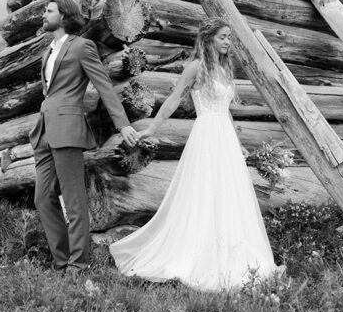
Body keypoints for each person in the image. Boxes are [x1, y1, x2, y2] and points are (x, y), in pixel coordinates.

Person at [109, 18, 277, 290]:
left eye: (229, 37)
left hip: (225, 138)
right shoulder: (196, 68)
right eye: (223, 37)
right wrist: (153, 127)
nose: (227, 42)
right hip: (207, 136)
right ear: (208, 38)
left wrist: (238, 140)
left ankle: (230, 252)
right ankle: (198, 253)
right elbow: (175, 98)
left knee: (228, 194)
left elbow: (226, 110)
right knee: (204, 191)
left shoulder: (225, 68)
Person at [30, 0, 139, 275]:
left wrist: (122, 124)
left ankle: (78, 265)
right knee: (43, 199)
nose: (43, 14)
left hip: (67, 129)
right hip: (44, 131)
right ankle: (61, 259)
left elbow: (103, 86)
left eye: (48, 11)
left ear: (64, 15)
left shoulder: (82, 47)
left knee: (74, 199)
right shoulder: (48, 51)